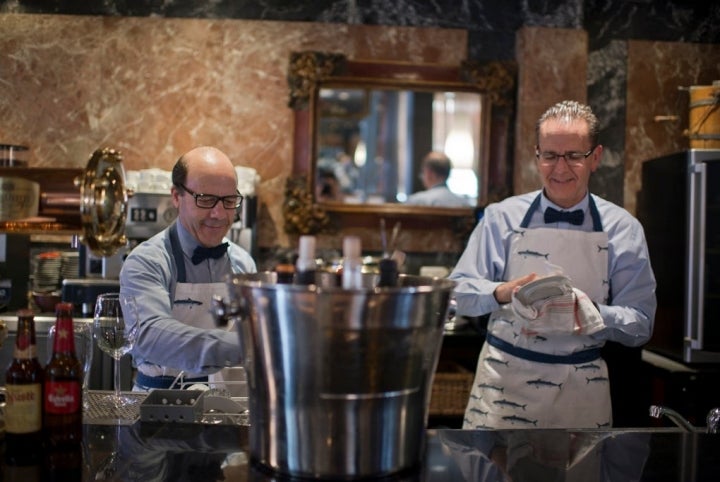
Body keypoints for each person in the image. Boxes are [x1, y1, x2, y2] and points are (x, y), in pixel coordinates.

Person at [449, 100, 656, 429]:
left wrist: (590, 313)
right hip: (503, 385)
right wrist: (501, 292)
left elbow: (642, 325)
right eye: (550, 156)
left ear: (596, 158)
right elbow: (457, 293)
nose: (560, 169)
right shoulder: (500, 218)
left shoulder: (623, 229)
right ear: (537, 156)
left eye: (574, 156)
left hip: (582, 391)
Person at [119, 146, 256, 391]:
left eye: (229, 201)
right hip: (159, 405)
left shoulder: (243, 263)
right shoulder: (147, 261)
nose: (219, 213)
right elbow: (150, 335)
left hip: (226, 406)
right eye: (205, 199)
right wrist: (243, 346)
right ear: (176, 196)